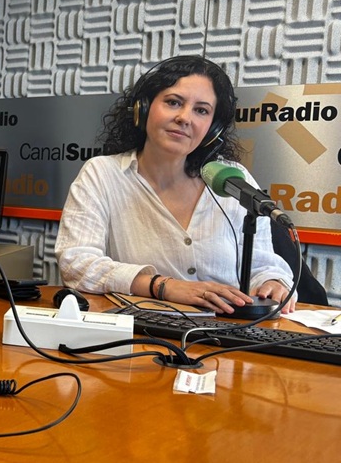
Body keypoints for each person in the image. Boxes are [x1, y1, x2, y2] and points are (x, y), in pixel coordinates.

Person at [55, 56, 296, 315]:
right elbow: (76, 263)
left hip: (225, 330)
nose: (184, 118)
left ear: (213, 128)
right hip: (142, 330)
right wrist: (163, 286)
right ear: (143, 109)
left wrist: (273, 282)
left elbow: (263, 266)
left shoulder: (234, 179)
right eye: (173, 102)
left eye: (201, 110)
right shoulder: (102, 174)